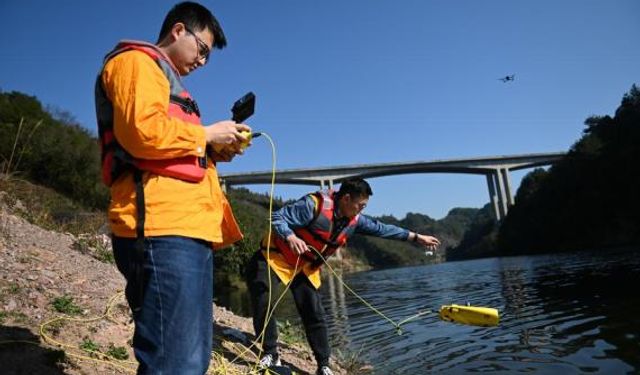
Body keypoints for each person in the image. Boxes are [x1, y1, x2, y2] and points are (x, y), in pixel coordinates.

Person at [94, 2, 250, 373]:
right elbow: (141, 133)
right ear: (178, 31)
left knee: (191, 359)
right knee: (174, 361)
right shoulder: (136, 63)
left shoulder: (166, 80)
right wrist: (206, 133)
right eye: (203, 50)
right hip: (161, 230)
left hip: (187, 230)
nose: (202, 62)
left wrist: (213, 148)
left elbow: (168, 144)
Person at [245, 178, 441, 375]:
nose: (361, 210)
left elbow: (382, 229)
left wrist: (416, 237)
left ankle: (323, 365)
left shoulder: (355, 221)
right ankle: (270, 353)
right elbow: (278, 217)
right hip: (275, 256)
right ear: (346, 199)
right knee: (264, 298)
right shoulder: (312, 206)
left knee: (314, 313)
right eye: (360, 205)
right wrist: (291, 236)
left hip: (304, 266)